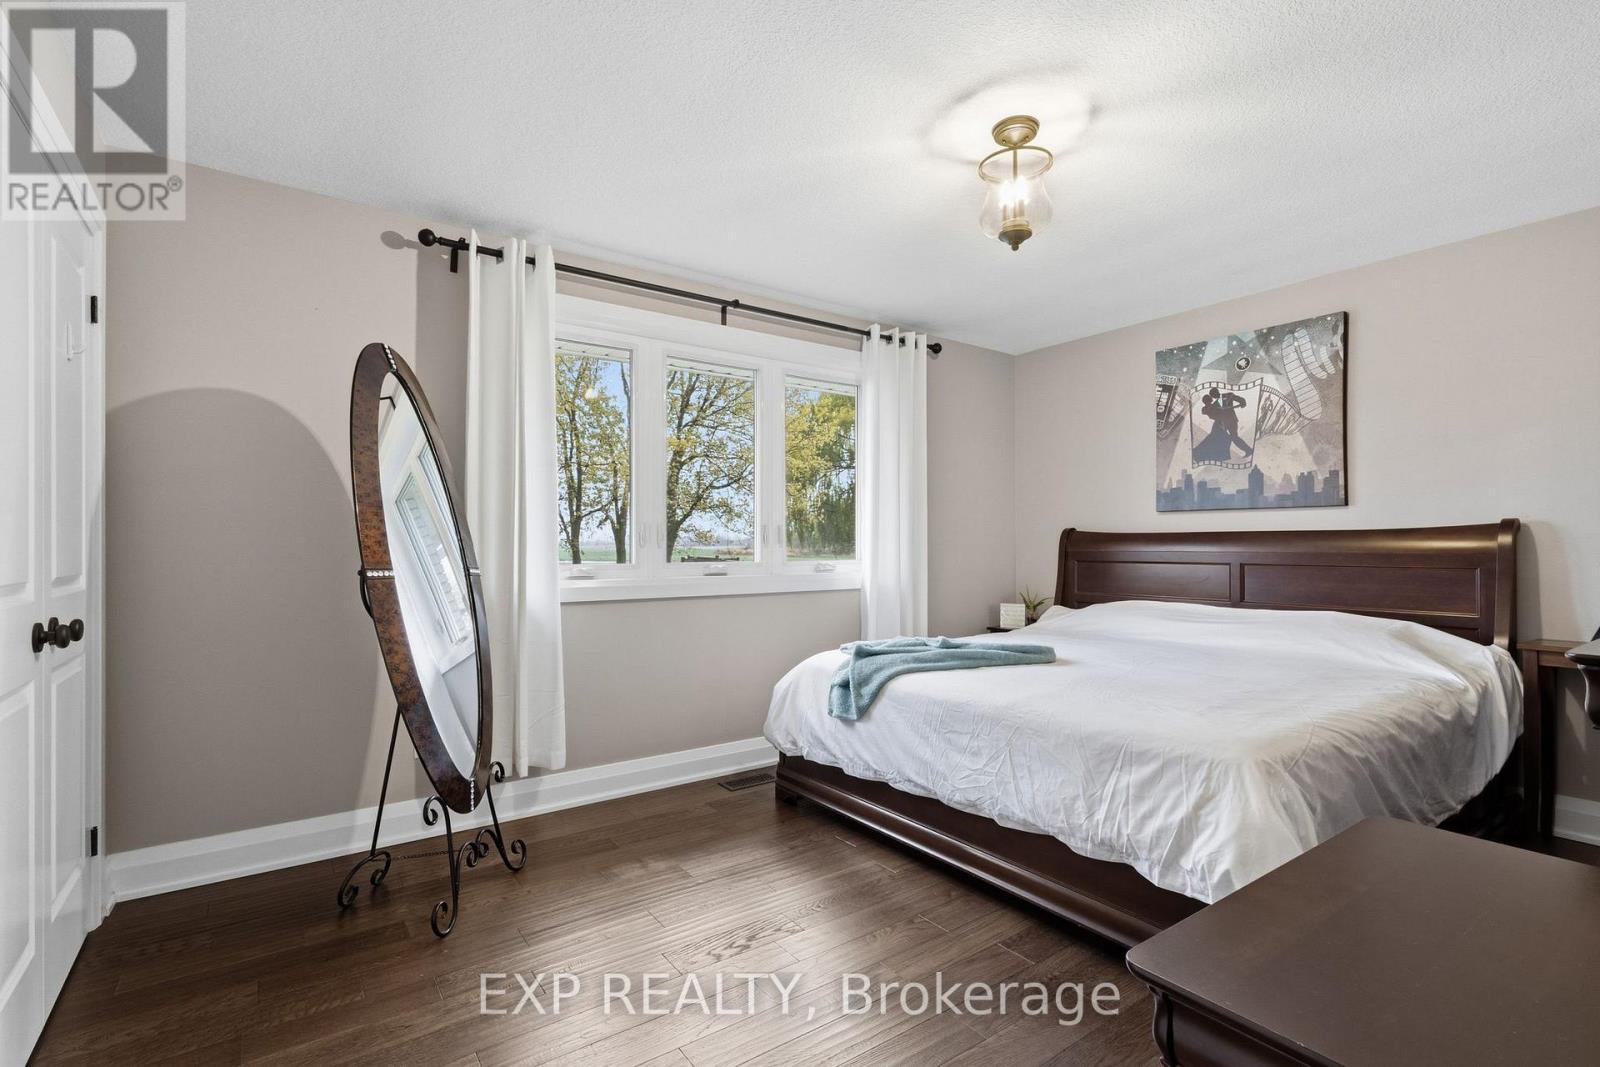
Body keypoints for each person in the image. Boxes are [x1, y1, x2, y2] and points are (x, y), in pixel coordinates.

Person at [1192, 386, 1254, 463]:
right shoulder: (1214, 404)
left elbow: (1240, 399)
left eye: (1215, 394)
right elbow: (1207, 412)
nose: (1214, 396)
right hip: (1222, 424)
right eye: (1213, 396)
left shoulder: (1228, 396)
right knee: (1220, 438)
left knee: (1234, 438)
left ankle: (1248, 450)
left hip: (1231, 421)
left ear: (1217, 392)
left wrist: (1242, 403)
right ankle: (1207, 454)